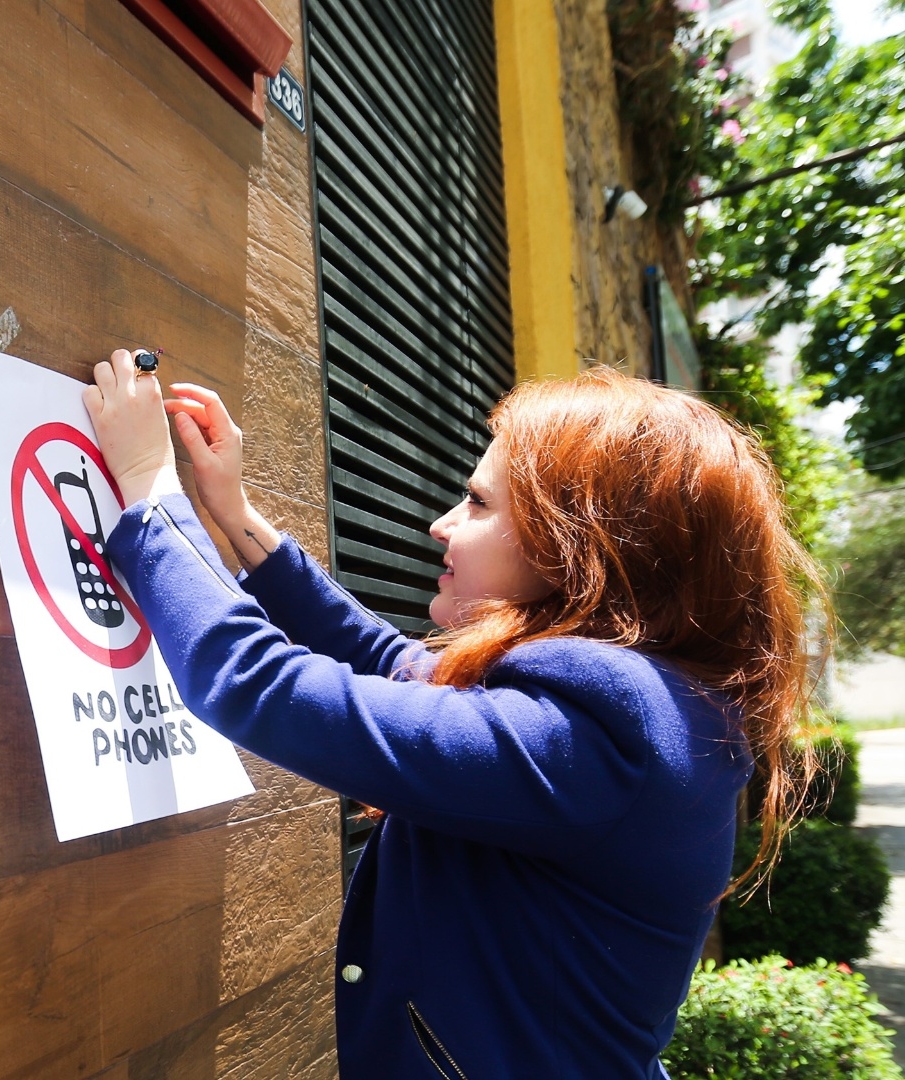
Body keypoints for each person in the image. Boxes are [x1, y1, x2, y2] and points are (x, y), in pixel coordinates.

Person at [83, 351, 817, 1079]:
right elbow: (390, 662)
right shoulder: (647, 703)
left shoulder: (604, 735)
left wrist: (149, 484)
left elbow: (257, 684)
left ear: (578, 546)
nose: (441, 524)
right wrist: (232, 513)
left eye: (478, 503)